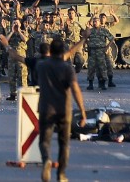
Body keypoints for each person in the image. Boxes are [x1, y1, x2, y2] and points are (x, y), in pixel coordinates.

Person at [36, 39, 86, 182]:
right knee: (64, 144)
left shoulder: (41, 66)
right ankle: (61, 174)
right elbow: (75, 89)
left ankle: (46, 159)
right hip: (64, 109)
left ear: (50, 51)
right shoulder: (67, 68)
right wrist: (82, 111)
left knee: (44, 141)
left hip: (46, 108)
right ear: (62, 51)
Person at [86, 17, 114, 90]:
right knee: (91, 67)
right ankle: (90, 84)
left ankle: (102, 83)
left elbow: (111, 38)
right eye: (94, 22)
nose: (95, 23)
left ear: (99, 22)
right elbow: (85, 37)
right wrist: (88, 44)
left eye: (96, 21)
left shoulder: (104, 31)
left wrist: (107, 47)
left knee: (102, 67)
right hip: (92, 51)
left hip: (101, 51)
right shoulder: (90, 31)